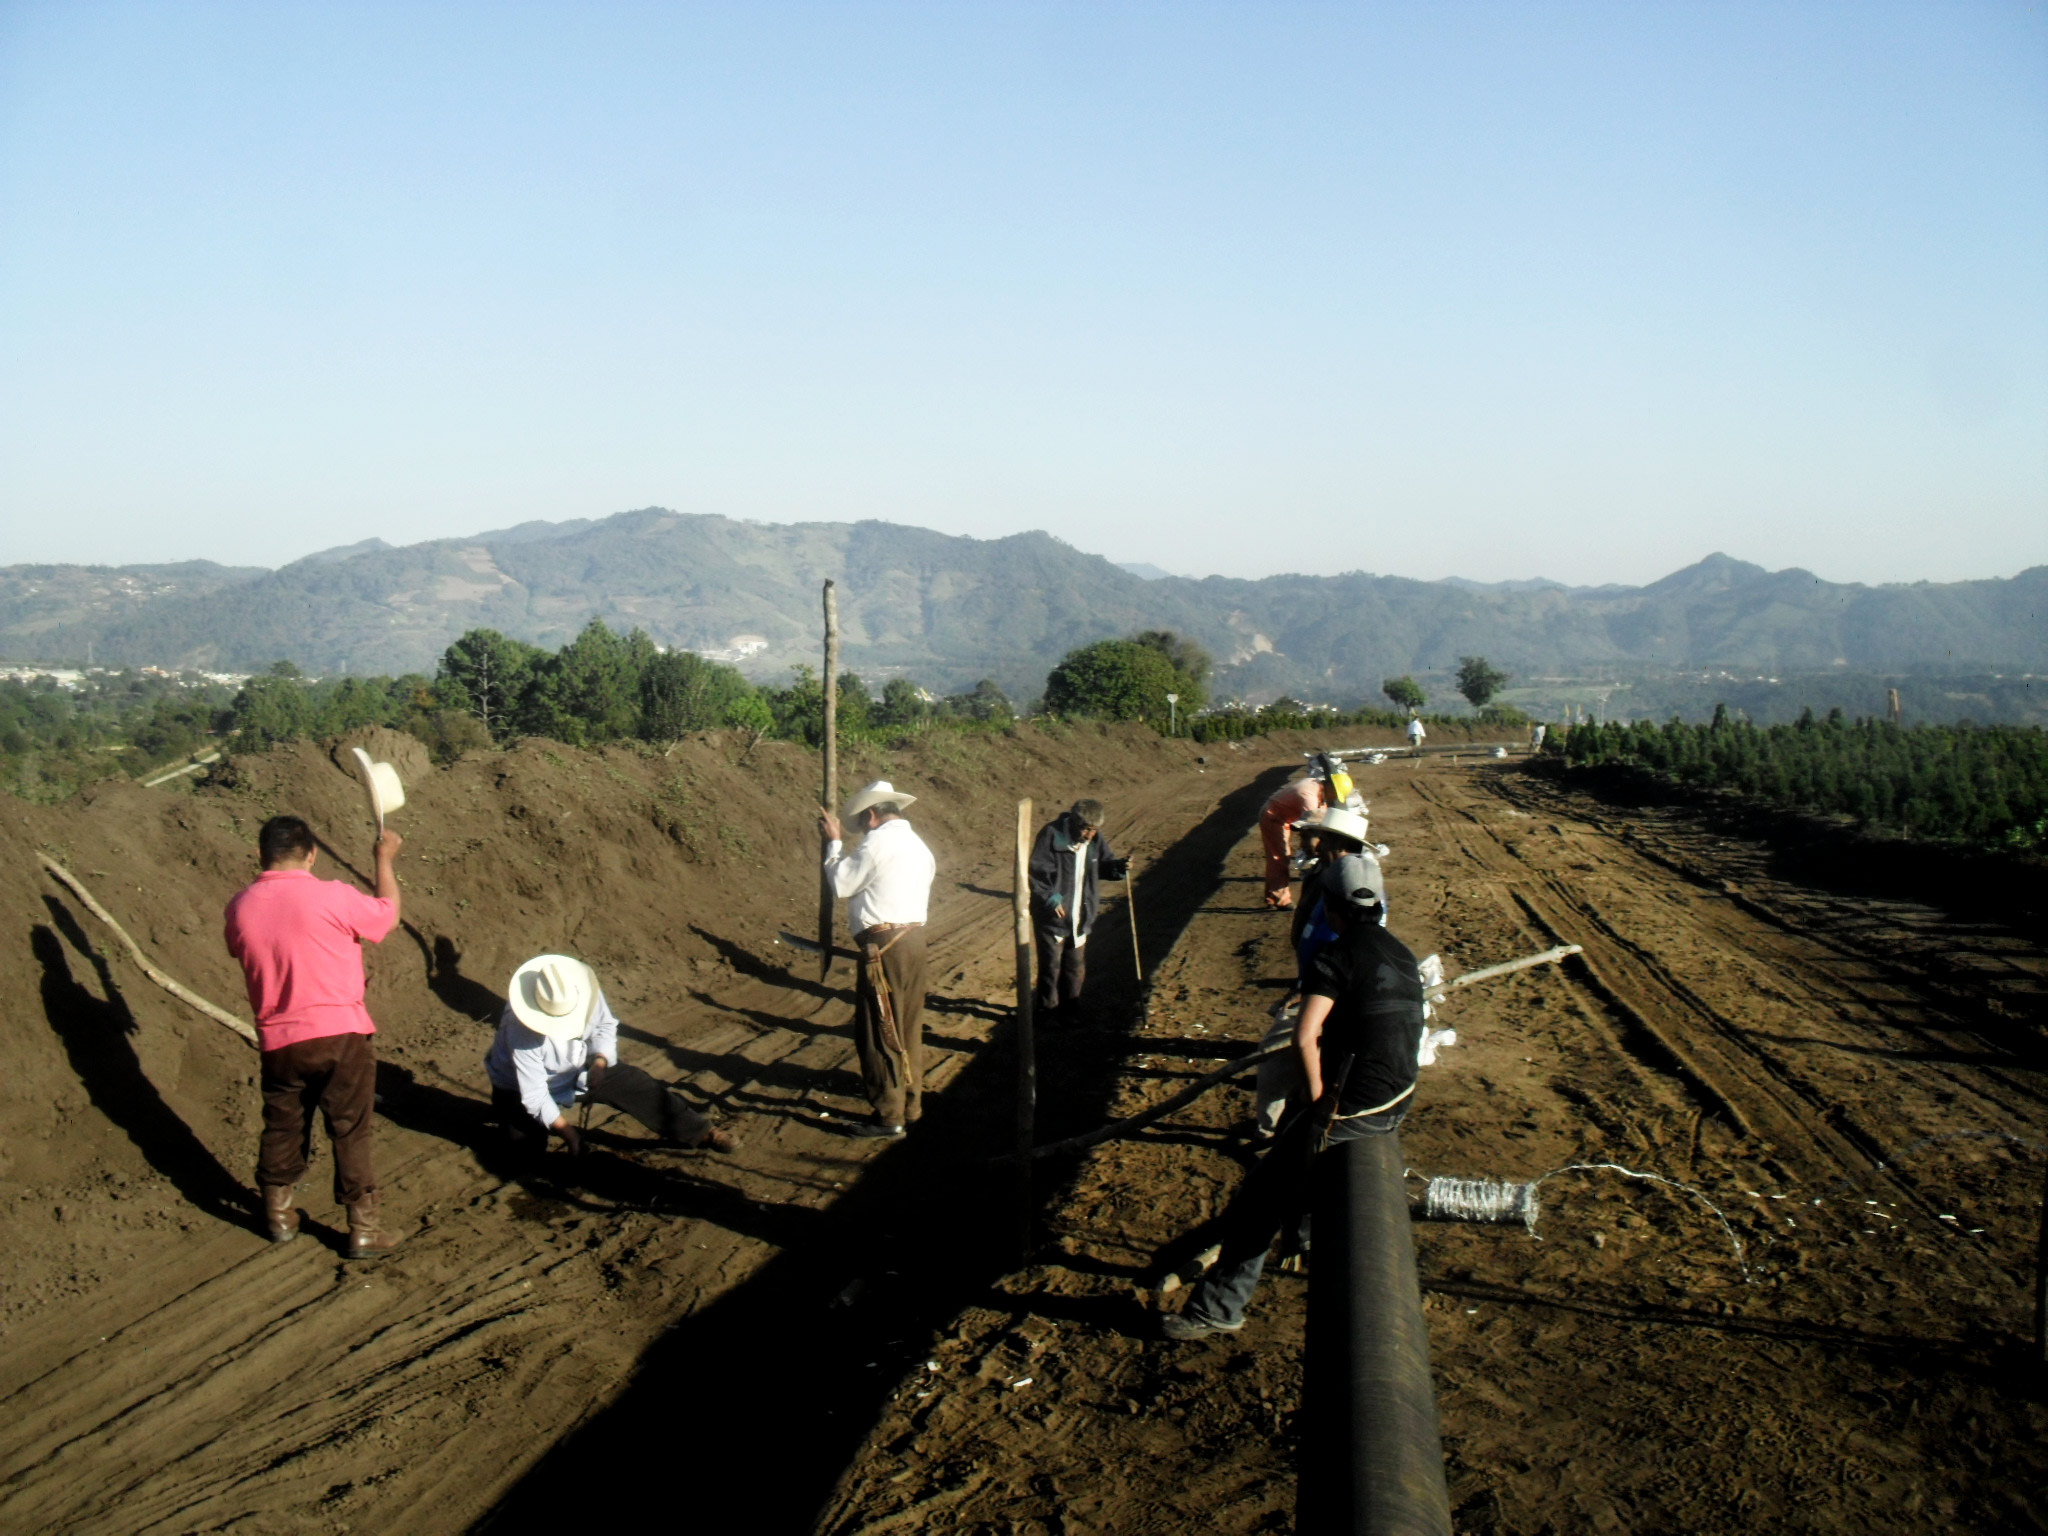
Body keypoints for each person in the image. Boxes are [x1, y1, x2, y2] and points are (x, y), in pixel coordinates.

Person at [1163, 851, 1425, 1340]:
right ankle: (1300, 1228)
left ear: (1331, 906)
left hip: (1357, 1104)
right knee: (1292, 1142)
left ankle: (1217, 1308)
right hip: (1400, 1094)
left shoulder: (1337, 955)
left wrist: (1318, 1099)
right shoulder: (1400, 952)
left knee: (1258, 1198)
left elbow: (1306, 1037)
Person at [223, 814, 404, 1258]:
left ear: (259, 855)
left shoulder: (239, 907)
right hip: (340, 1033)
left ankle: (279, 1214)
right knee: (350, 1128)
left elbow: (240, 948)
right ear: (311, 853)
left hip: (278, 1038)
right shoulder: (332, 896)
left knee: (283, 1123)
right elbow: (386, 919)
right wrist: (384, 861)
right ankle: (363, 1227)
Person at [485, 954, 737, 1155]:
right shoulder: (520, 1031)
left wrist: (600, 1062)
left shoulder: (583, 992)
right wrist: (570, 1135)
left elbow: (605, 1026)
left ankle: (703, 1132)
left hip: (578, 1067)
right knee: (522, 1151)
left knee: (639, 1085)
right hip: (518, 1087)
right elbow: (535, 1095)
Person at [1258, 806, 1387, 1135]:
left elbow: (1352, 947)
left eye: (1313, 835)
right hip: (1315, 981)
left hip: (1329, 988)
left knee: (1275, 1063)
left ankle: (1268, 1136)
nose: (1304, 839)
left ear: (1333, 844)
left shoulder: (1353, 888)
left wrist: (1312, 986)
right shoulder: (1325, 877)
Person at [819, 780, 937, 1139]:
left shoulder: (878, 843)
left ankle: (889, 1115)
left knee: (878, 1029)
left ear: (872, 815)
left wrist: (834, 842)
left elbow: (841, 884)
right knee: (907, 1024)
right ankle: (911, 1104)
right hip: (914, 941)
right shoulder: (919, 846)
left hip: (885, 945)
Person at [1027, 799, 1130, 1020]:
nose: (1090, 835)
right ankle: (1046, 1013)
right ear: (1074, 823)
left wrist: (1118, 868)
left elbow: (1102, 865)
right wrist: (1050, 899)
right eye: (1086, 829)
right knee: (1050, 968)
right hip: (1052, 917)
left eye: (1094, 830)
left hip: (1080, 916)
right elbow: (1037, 873)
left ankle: (1070, 1012)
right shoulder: (1051, 835)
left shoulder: (1094, 840)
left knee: (1074, 967)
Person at [1257, 765, 1328, 910]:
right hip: (1273, 817)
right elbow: (1311, 830)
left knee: (1281, 855)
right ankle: (1278, 899)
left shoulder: (1316, 785)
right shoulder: (1309, 799)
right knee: (1279, 857)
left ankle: (1273, 895)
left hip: (1284, 816)